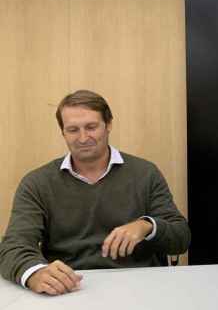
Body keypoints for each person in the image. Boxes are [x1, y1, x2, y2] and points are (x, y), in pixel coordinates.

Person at [0, 90, 190, 295]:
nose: (83, 138)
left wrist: (147, 225)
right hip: (68, 289)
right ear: (63, 132)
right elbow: (13, 247)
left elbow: (181, 238)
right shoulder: (37, 183)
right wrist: (35, 273)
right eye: (73, 129)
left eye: (91, 127)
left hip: (140, 288)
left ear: (108, 125)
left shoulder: (145, 173)